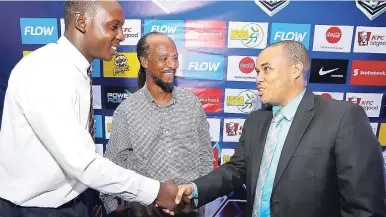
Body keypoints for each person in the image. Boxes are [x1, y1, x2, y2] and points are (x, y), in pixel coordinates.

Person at [166, 40, 386, 217]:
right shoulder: (255, 120)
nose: (258, 79)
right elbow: (236, 170)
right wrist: (194, 189)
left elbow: (364, 205)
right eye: (256, 71)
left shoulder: (342, 117)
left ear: (295, 70)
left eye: (266, 69)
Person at [0, 1, 179, 217]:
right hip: (38, 210)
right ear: (81, 22)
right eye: (114, 27)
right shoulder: (45, 72)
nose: (122, 36)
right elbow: (83, 164)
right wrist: (155, 191)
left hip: (74, 201)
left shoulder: (76, 70)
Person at [99, 32, 213, 217]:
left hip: (189, 208)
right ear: (144, 62)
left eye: (175, 58)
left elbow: (205, 156)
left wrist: (202, 198)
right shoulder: (127, 111)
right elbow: (113, 164)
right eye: (164, 58)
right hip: (145, 209)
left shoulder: (191, 103)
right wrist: (112, 208)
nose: (173, 64)